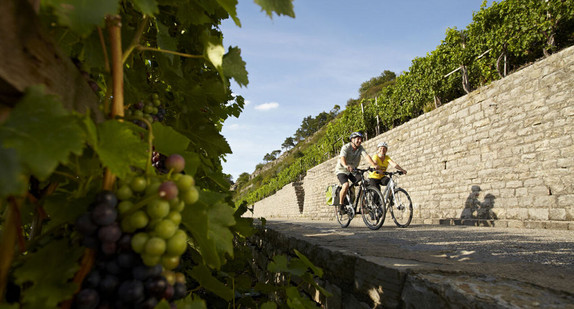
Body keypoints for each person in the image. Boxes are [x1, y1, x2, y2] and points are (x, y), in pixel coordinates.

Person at [335, 132, 378, 213]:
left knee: (364, 183)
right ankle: (341, 205)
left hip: (353, 171)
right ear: (352, 140)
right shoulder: (346, 147)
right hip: (342, 170)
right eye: (357, 139)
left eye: (361, 139)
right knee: (346, 185)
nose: (359, 140)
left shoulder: (360, 148)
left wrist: (374, 165)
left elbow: (366, 156)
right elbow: (342, 158)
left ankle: (363, 206)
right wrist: (345, 165)